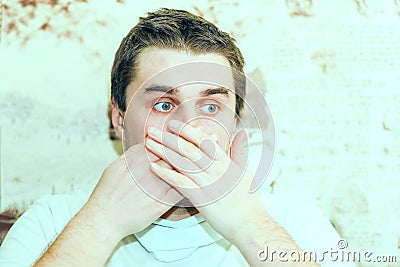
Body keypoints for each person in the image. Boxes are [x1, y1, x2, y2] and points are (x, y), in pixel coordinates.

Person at [0, 8, 354, 267]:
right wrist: (99, 226)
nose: (188, 127)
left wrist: (250, 226)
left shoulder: (292, 221)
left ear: (235, 121)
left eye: (211, 107)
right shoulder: (52, 221)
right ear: (119, 119)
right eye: (165, 104)